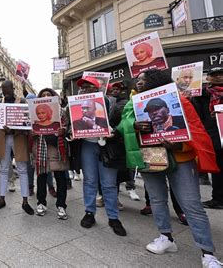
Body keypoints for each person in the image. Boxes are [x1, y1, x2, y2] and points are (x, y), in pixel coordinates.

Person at [119, 70, 221, 267]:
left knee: (191, 204)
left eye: (143, 80)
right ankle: (165, 238)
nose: (139, 83)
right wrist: (134, 125)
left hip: (181, 157)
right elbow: (124, 124)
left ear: (156, 82)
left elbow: (196, 129)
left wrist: (180, 145)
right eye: (137, 80)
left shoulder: (180, 100)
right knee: (157, 200)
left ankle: (207, 253)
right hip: (150, 155)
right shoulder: (133, 102)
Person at [71, 76, 127, 236]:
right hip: (87, 145)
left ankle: (113, 217)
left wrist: (113, 131)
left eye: (90, 86)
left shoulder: (110, 103)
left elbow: (119, 124)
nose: (86, 89)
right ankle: (89, 213)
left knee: (109, 183)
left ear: (97, 89)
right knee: (89, 181)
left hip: (106, 146)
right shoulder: (76, 104)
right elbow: (70, 125)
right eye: (83, 87)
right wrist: (71, 133)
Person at [0, 80, 34, 215]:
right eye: (3, 88)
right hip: (4, 138)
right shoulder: (0, 102)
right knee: (3, 169)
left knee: (22, 169)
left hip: (18, 138)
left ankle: (25, 201)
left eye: (7, 88)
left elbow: (27, 120)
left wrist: (14, 129)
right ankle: (2, 199)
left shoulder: (21, 101)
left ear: (13, 88)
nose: (5, 91)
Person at [31, 88, 68, 220]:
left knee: (60, 177)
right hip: (40, 147)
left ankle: (61, 205)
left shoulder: (61, 112)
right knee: (41, 177)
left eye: (49, 95)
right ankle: (41, 203)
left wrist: (63, 131)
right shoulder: (33, 115)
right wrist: (32, 133)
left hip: (57, 148)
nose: (46, 96)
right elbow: (29, 129)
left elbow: (67, 127)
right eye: (43, 95)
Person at [192, 67, 223, 209]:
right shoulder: (201, 95)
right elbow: (196, 115)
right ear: (208, 78)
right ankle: (218, 199)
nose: (218, 77)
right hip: (214, 137)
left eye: (221, 74)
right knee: (218, 170)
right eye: (214, 75)